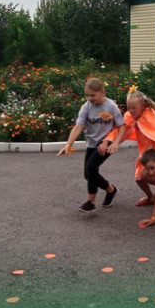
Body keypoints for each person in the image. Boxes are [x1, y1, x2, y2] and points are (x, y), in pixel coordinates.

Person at [56, 78, 124, 214]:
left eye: (93, 95)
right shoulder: (86, 107)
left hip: (106, 142)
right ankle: (111, 189)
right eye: (87, 95)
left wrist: (115, 142)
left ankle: (91, 202)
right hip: (92, 143)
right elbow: (78, 127)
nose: (90, 98)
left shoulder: (110, 106)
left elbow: (121, 125)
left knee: (91, 168)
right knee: (88, 175)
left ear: (102, 92)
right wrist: (68, 144)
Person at [105, 89, 155, 208]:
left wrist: (146, 155)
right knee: (139, 178)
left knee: (146, 175)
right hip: (145, 149)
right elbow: (120, 128)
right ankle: (152, 197)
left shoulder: (149, 114)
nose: (131, 111)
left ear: (142, 106)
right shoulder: (130, 115)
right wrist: (108, 140)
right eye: (129, 107)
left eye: (134, 108)